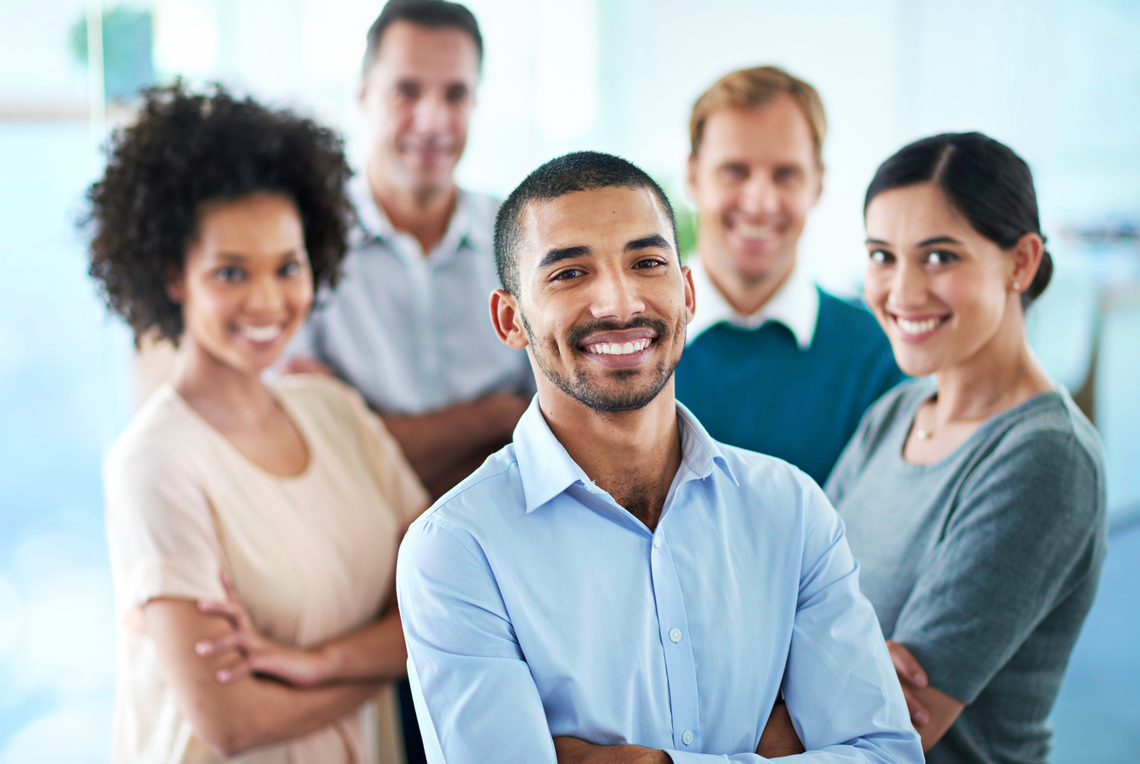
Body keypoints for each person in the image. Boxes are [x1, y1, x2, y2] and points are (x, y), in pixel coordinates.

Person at [395, 151, 924, 764]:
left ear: (688, 291)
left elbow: (886, 755)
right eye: (569, 274)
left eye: (647, 263)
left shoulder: (791, 509)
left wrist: (654, 763)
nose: (618, 304)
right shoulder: (457, 549)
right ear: (511, 319)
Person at [87, 83, 429, 764]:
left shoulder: (336, 413)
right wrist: (389, 659)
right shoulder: (155, 463)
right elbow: (233, 721)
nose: (268, 300)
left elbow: (442, 603)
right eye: (230, 272)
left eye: (287, 266)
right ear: (173, 276)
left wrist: (317, 663)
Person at [825, 132, 1108, 763]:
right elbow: (790, 587)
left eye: (939, 257)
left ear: (1021, 263)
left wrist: (804, 647)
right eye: (882, 255)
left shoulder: (1045, 459)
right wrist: (834, 658)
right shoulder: (897, 413)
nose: (901, 292)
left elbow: (895, 725)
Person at [284, 0, 533, 500]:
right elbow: (327, 450)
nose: (433, 120)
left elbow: (564, 430)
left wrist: (382, 437)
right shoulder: (299, 245)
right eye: (407, 91)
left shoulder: (526, 232)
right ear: (362, 96)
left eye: (455, 94)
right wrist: (498, 416)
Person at [674, 66, 904, 486]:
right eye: (735, 171)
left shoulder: (879, 356)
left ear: (818, 183)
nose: (760, 202)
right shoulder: (625, 341)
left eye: (786, 174)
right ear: (692, 175)